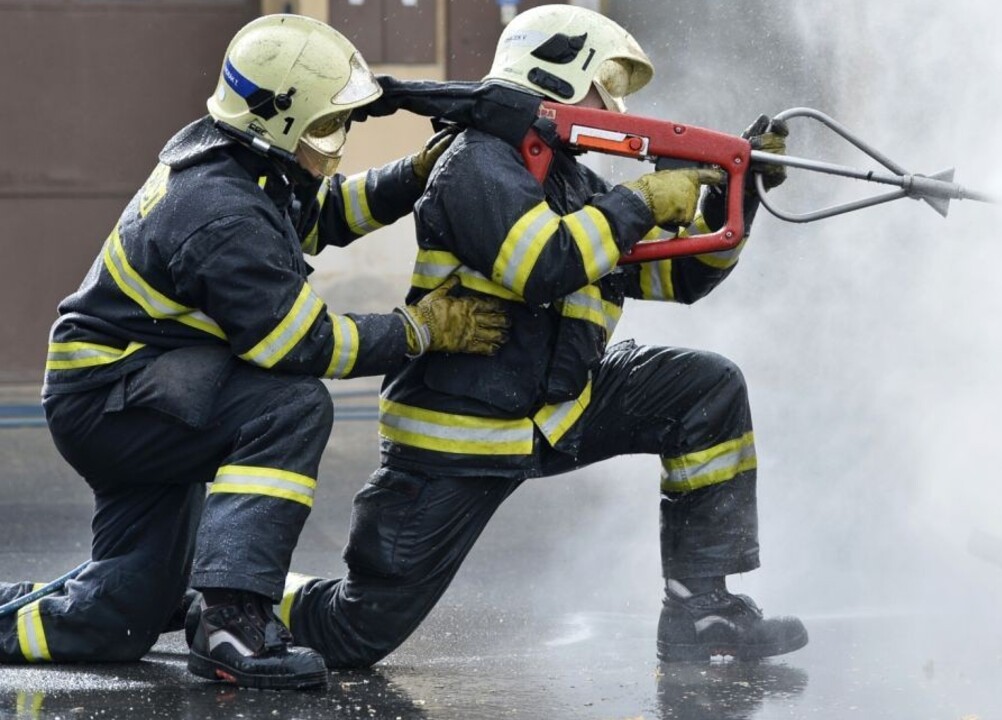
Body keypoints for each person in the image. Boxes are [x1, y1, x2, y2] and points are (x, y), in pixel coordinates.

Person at [281, 4, 808, 667]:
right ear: (554, 74)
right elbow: (542, 265)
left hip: (561, 411)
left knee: (705, 390)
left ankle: (699, 609)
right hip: (460, 435)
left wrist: (738, 194)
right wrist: (642, 200)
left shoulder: (577, 183)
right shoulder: (475, 163)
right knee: (353, 634)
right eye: (605, 85)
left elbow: (681, 278)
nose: (615, 108)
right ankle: (231, 600)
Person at [0, 14, 510, 690]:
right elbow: (305, 343)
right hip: (117, 402)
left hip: (132, 392)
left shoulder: (238, 163)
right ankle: (232, 622)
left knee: (122, 616)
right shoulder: (224, 212)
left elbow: (321, 215)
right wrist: (421, 329)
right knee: (288, 407)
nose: (337, 139)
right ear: (280, 119)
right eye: (326, 125)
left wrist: (411, 176)